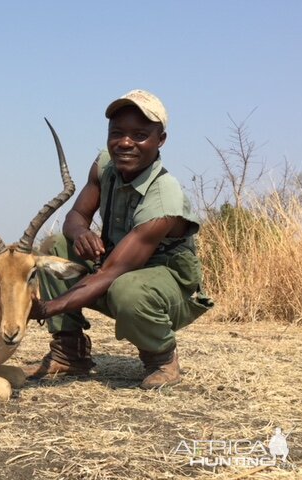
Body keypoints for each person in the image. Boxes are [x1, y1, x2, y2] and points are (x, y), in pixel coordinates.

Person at [27, 89, 213, 389]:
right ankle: (69, 353)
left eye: (139, 135)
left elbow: (115, 272)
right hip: (117, 265)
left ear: (160, 140)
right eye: (117, 133)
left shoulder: (164, 197)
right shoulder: (105, 164)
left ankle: (162, 359)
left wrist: (47, 307)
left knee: (127, 290)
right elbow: (74, 216)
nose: (125, 143)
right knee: (56, 249)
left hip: (164, 288)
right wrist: (81, 233)